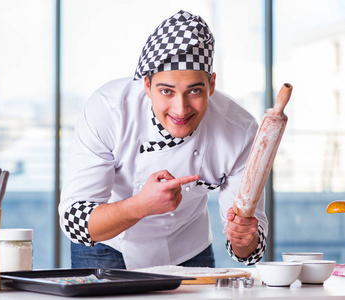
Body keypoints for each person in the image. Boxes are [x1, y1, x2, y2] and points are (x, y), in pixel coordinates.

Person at [58, 10, 268, 269]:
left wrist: (243, 237)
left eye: (194, 91)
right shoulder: (109, 110)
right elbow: (74, 222)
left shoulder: (239, 130)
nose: (181, 109)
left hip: (189, 250)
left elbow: (248, 250)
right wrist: (141, 205)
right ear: (146, 85)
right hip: (107, 244)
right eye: (166, 91)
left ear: (211, 85)